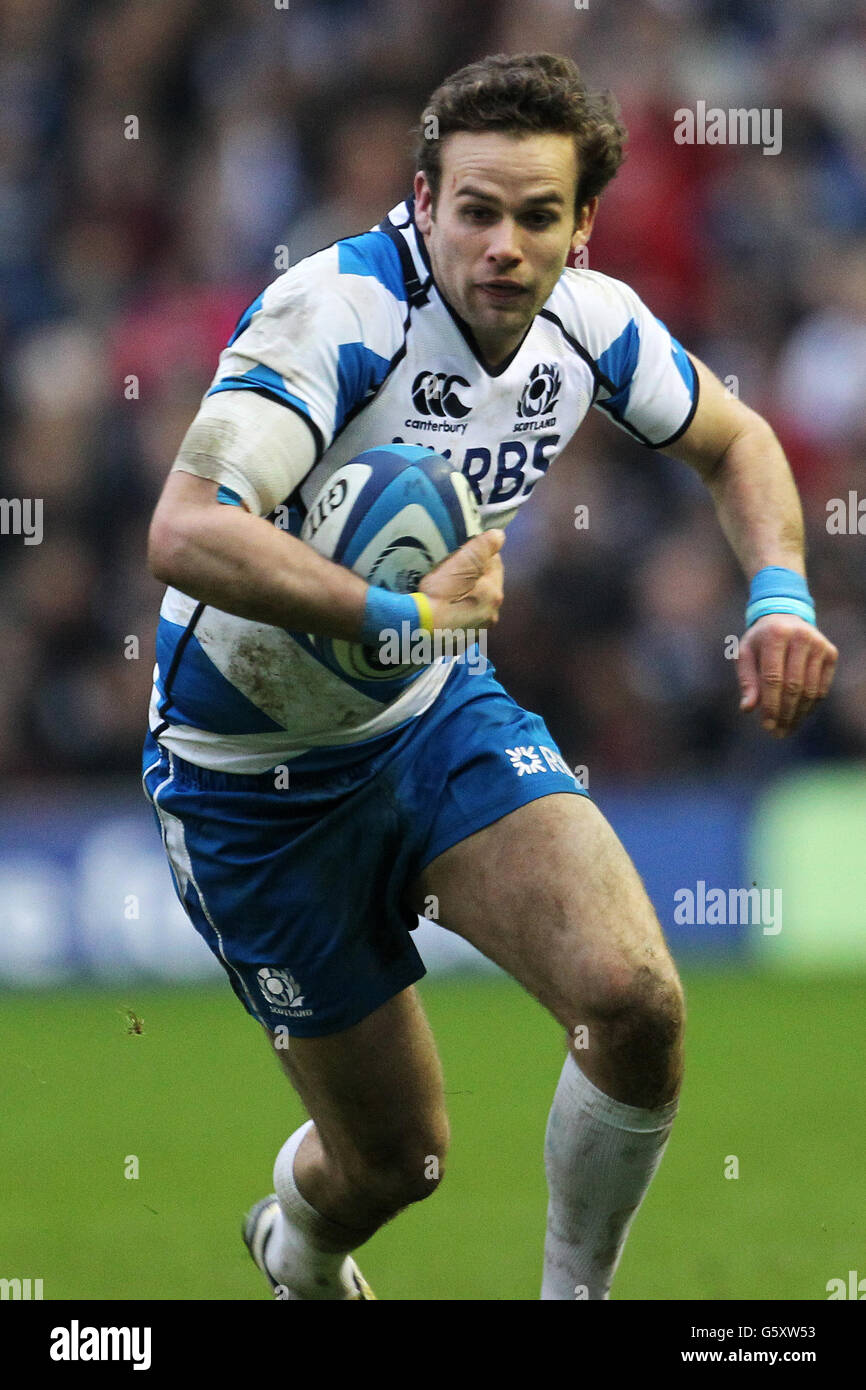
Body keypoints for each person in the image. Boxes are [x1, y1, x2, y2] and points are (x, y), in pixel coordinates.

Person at [143, 52, 838, 1300]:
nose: (502, 244)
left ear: (581, 227)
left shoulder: (594, 321)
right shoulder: (335, 313)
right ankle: (296, 1243)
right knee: (396, 1164)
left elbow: (735, 441)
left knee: (632, 1003)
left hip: (427, 720)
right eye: (474, 209)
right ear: (422, 200)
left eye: (535, 215)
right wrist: (396, 612)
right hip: (250, 776)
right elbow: (185, 529)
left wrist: (778, 589)